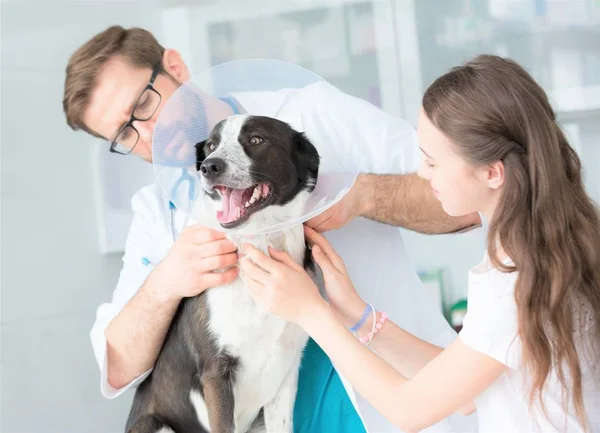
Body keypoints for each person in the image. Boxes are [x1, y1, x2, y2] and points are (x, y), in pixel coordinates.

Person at [63, 26, 480, 432]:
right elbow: (116, 366)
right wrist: (166, 282)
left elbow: (472, 203)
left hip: (398, 403)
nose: (148, 134)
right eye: (124, 133)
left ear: (174, 66)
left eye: (143, 105)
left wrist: (365, 195)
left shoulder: (314, 114)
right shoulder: (157, 213)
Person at [240, 54, 600, 433]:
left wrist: (310, 311)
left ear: (492, 173)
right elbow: (463, 393)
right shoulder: (544, 251)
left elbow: (407, 410)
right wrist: (358, 316)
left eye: (432, 162)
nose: (421, 172)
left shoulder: (516, 283)